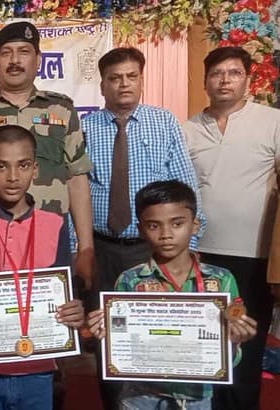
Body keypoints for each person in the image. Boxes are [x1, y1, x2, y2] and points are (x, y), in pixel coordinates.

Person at [82, 46, 205, 408]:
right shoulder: (85, 128)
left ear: (141, 80)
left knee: (158, 333)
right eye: (115, 78)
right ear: (102, 85)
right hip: (102, 250)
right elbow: (77, 194)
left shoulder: (163, 122)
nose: (124, 84)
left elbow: (185, 185)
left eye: (131, 76)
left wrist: (190, 244)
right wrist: (80, 248)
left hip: (154, 249)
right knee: (109, 337)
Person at [0, 21, 95, 289]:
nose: (14, 61)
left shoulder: (62, 109)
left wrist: (86, 248)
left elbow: (77, 179)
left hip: (49, 245)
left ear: (38, 60)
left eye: (23, 52)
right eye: (6, 53)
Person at [87, 180, 257, 409]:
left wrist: (234, 341)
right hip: (141, 396)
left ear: (195, 225)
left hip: (196, 396)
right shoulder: (130, 281)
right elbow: (122, 344)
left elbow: (231, 357)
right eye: (153, 226)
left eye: (177, 223)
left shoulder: (220, 280)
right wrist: (106, 334)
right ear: (141, 229)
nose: (166, 234)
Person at [0, 125, 85, 409]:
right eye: (1, 166)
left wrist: (74, 311)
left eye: (23, 165)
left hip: (39, 370)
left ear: (35, 169)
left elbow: (65, 296)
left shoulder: (55, 225)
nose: (13, 177)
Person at [182, 46, 279, 410]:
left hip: (254, 258)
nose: (225, 80)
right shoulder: (188, 129)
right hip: (199, 256)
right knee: (205, 344)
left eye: (234, 73)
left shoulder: (272, 122)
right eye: (217, 74)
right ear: (205, 81)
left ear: (248, 80)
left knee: (246, 348)